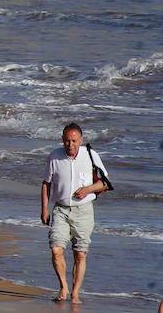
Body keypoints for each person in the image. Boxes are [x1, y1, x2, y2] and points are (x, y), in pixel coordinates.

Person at [42, 122, 111, 303]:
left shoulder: (90, 155)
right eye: (66, 141)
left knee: (80, 254)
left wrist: (88, 189)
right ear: (62, 140)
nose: (70, 145)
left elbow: (105, 183)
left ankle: (75, 293)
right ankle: (63, 287)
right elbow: (46, 183)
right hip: (61, 209)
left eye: (73, 141)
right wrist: (44, 208)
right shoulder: (54, 156)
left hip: (84, 211)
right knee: (56, 249)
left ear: (81, 140)